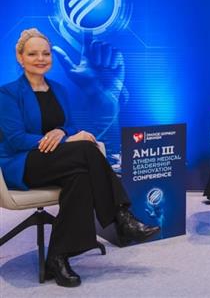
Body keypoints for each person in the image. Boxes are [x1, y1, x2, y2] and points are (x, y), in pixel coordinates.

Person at [0, 28, 159, 287]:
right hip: (22, 163)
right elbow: (16, 139)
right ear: (20, 57)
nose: (40, 59)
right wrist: (63, 139)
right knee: (85, 149)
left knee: (81, 177)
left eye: (45, 53)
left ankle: (58, 257)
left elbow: (70, 125)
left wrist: (62, 132)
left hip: (58, 161)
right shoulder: (7, 93)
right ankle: (121, 216)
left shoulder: (59, 90)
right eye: (32, 54)